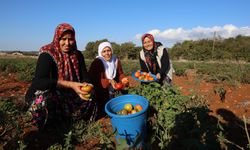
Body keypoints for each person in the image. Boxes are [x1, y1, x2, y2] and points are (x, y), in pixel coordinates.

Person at [25, 23, 96, 131]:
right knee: (46, 102)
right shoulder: (47, 53)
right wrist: (71, 84)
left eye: (70, 39)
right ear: (57, 38)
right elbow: (39, 82)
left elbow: (85, 77)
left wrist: (88, 85)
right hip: (51, 91)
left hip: (70, 92)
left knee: (91, 97)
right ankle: (51, 126)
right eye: (63, 39)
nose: (67, 43)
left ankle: (71, 120)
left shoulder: (78, 55)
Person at [88, 41, 128, 119]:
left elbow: (120, 73)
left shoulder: (115, 59)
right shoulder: (97, 62)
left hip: (113, 87)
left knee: (115, 104)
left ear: (111, 51)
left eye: (108, 50)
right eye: (104, 51)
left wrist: (123, 78)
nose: (107, 53)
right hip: (101, 89)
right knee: (104, 108)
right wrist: (109, 81)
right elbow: (95, 80)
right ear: (100, 52)